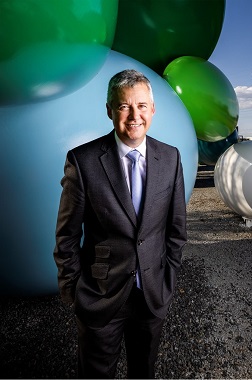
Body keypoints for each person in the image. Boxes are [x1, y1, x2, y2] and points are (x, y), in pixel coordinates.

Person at [53, 69, 187, 379]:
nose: (134, 115)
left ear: (152, 109)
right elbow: (66, 238)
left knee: (144, 372)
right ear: (110, 110)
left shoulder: (170, 158)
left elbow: (176, 231)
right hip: (100, 296)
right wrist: (75, 294)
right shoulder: (83, 162)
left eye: (141, 105)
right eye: (124, 106)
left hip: (152, 295)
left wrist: (167, 279)